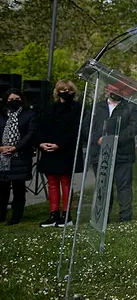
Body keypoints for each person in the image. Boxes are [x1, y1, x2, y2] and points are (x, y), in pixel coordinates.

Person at [88, 83, 137, 222]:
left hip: (123, 154)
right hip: (100, 153)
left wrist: (115, 139)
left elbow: (134, 127)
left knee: (124, 187)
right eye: (112, 88)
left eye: (119, 88)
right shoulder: (96, 107)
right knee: (103, 187)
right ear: (107, 89)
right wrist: (97, 139)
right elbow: (87, 126)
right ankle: (102, 218)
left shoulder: (131, 107)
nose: (115, 91)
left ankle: (125, 217)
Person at [38, 80, 83, 228]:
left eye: (69, 90)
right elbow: (42, 127)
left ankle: (66, 215)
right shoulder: (50, 108)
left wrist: (59, 144)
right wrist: (41, 143)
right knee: (52, 183)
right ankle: (53, 214)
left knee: (65, 182)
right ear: (57, 92)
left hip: (66, 150)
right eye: (63, 89)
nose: (66, 92)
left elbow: (76, 130)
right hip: (49, 150)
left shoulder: (77, 108)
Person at [0, 89, 38, 225]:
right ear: (6, 101)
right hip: (2, 156)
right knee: (2, 186)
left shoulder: (29, 115)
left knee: (18, 187)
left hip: (20, 155)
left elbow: (31, 133)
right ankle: (1, 214)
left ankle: (16, 215)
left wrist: (16, 147)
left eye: (17, 98)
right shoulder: (2, 115)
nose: (14, 101)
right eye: (10, 99)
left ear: (22, 100)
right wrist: (1, 148)